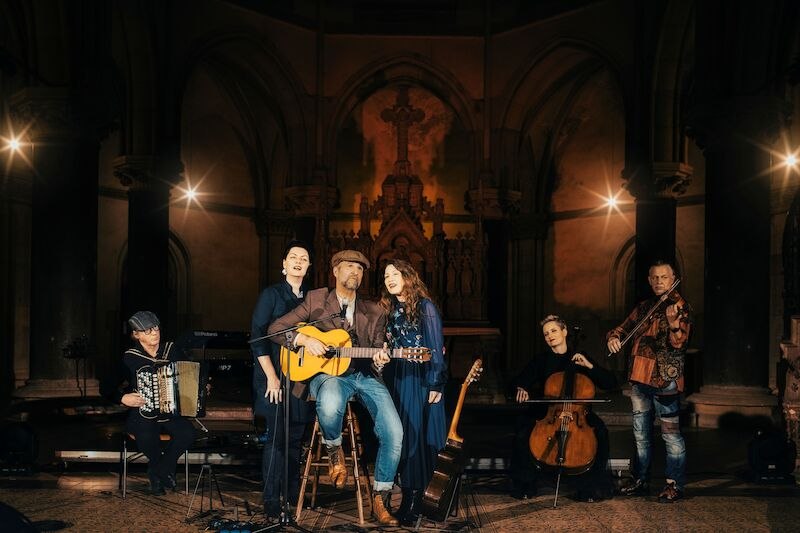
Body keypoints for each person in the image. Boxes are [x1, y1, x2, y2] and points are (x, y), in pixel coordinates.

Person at [268, 249, 403, 526]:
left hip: (364, 376)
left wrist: (380, 361)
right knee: (328, 403)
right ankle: (334, 452)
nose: (355, 272)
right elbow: (276, 329)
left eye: (360, 269)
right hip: (329, 376)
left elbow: (377, 354)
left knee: (394, 431)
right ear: (335, 271)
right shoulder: (317, 300)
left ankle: (381, 498)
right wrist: (304, 341)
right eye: (349, 267)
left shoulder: (375, 311)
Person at [607, 259, 692, 503]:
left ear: (673, 277)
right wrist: (614, 337)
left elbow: (680, 344)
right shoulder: (644, 306)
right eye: (654, 277)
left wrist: (674, 324)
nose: (658, 282)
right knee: (641, 434)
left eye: (664, 277)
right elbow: (622, 328)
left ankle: (674, 484)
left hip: (665, 380)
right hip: (639, 378)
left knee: (671, 435)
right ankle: (641, 480)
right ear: (648, 280)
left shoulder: (680, 307)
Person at [510, 315, 617, 502]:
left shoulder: (580, 358)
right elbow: (519, 381)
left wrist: (590, 366)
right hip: (549, 413)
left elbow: (611, 383)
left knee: (600, 432)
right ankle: (525, 484)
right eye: (546, 334)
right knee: (523, 432)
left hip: (580, 414)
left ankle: (590, 487)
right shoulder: (541, 360)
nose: (550, 336)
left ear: (564, 331)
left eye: (553, 331)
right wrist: (521, 388)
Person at [249, 241, 314, 519]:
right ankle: (271, 501)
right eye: (293, 257)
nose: (299, 261)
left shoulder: (312, 300)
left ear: (308, 267)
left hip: (301, 379)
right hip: (273, 376)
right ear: (284, 264)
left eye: (304, 258)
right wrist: (272, 378)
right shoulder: (271, 295)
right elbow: (257, 338)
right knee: (277, 439)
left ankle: (291, 496)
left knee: (296, 439)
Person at [380, 260, 447, 526]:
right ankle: (405, 495)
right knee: (399, 437)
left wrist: (435, 383)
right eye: (386, 275)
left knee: (415, 438)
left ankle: (415, 501)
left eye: (395, 274)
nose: (390, 279)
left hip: (418, 380)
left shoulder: (425, 307)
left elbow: (435, 346)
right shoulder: (389, 308)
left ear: (408, 276)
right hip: (394, 377)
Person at [102, 311, 196, 495]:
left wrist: (200, 386)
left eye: (156, 328)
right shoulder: (130, 357)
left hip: (170, 410)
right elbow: (105, 387)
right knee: (146, 437)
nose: (154, 333)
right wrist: (122, 398)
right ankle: (162, 472)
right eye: (147, 330)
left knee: (188, 434)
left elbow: (190, 372)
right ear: (136, 335)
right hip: (143, 410)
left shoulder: (172, 350)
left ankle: (159, 471)